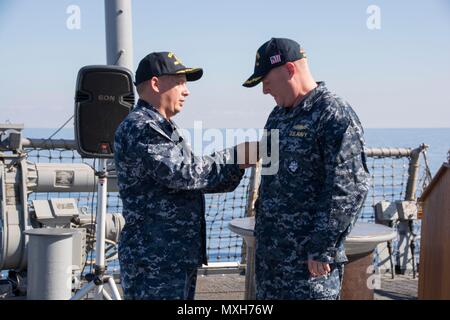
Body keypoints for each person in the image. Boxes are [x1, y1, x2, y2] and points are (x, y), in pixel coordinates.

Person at [114, 52, 250, 299]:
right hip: (155, 260)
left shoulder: (163, 126)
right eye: (179, 83)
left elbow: (192, 176)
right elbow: (183, 174)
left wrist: (237, 164)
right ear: (155, 84)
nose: (186, 91)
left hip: (172, 257)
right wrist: (236, 157)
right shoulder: (142, 127)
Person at [242, 38, 370, 299]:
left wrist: (323, 248)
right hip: (271, 264)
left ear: (289, 70)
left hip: (308, 267)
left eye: (266, 81)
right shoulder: (277, 116)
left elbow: (348, 187)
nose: (265, 91)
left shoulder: (333, 113)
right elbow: (269, 179)